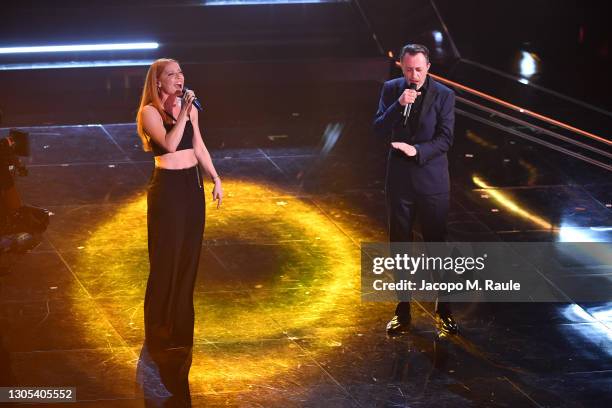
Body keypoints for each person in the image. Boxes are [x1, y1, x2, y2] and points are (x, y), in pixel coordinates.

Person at [136, 58, 222, 399]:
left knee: (189, 258)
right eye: (171, 74)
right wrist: (183, 110)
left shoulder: (190, 107)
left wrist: (214, 176)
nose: (179, 78)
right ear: (158, 82)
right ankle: (158, 329)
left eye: (181, 73)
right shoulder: (150, 113)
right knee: (166, 259)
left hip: (192, 186)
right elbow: (171, 144)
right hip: (167, 189)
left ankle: (181, 326)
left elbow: (196, 144)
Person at [373, 44, 457, 336]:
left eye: (419, 69)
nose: (414, 75)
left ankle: (444, 308)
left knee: (436, 245)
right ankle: (402, 309)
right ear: (401, 67)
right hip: (400, 182)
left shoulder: (444, 95)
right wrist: (398, 104)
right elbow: (379, 128)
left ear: (428, 67)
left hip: (432, 181)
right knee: (400, 245)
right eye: (409, 69)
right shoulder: (391, 89)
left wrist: (416, 150)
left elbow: (446, 139)